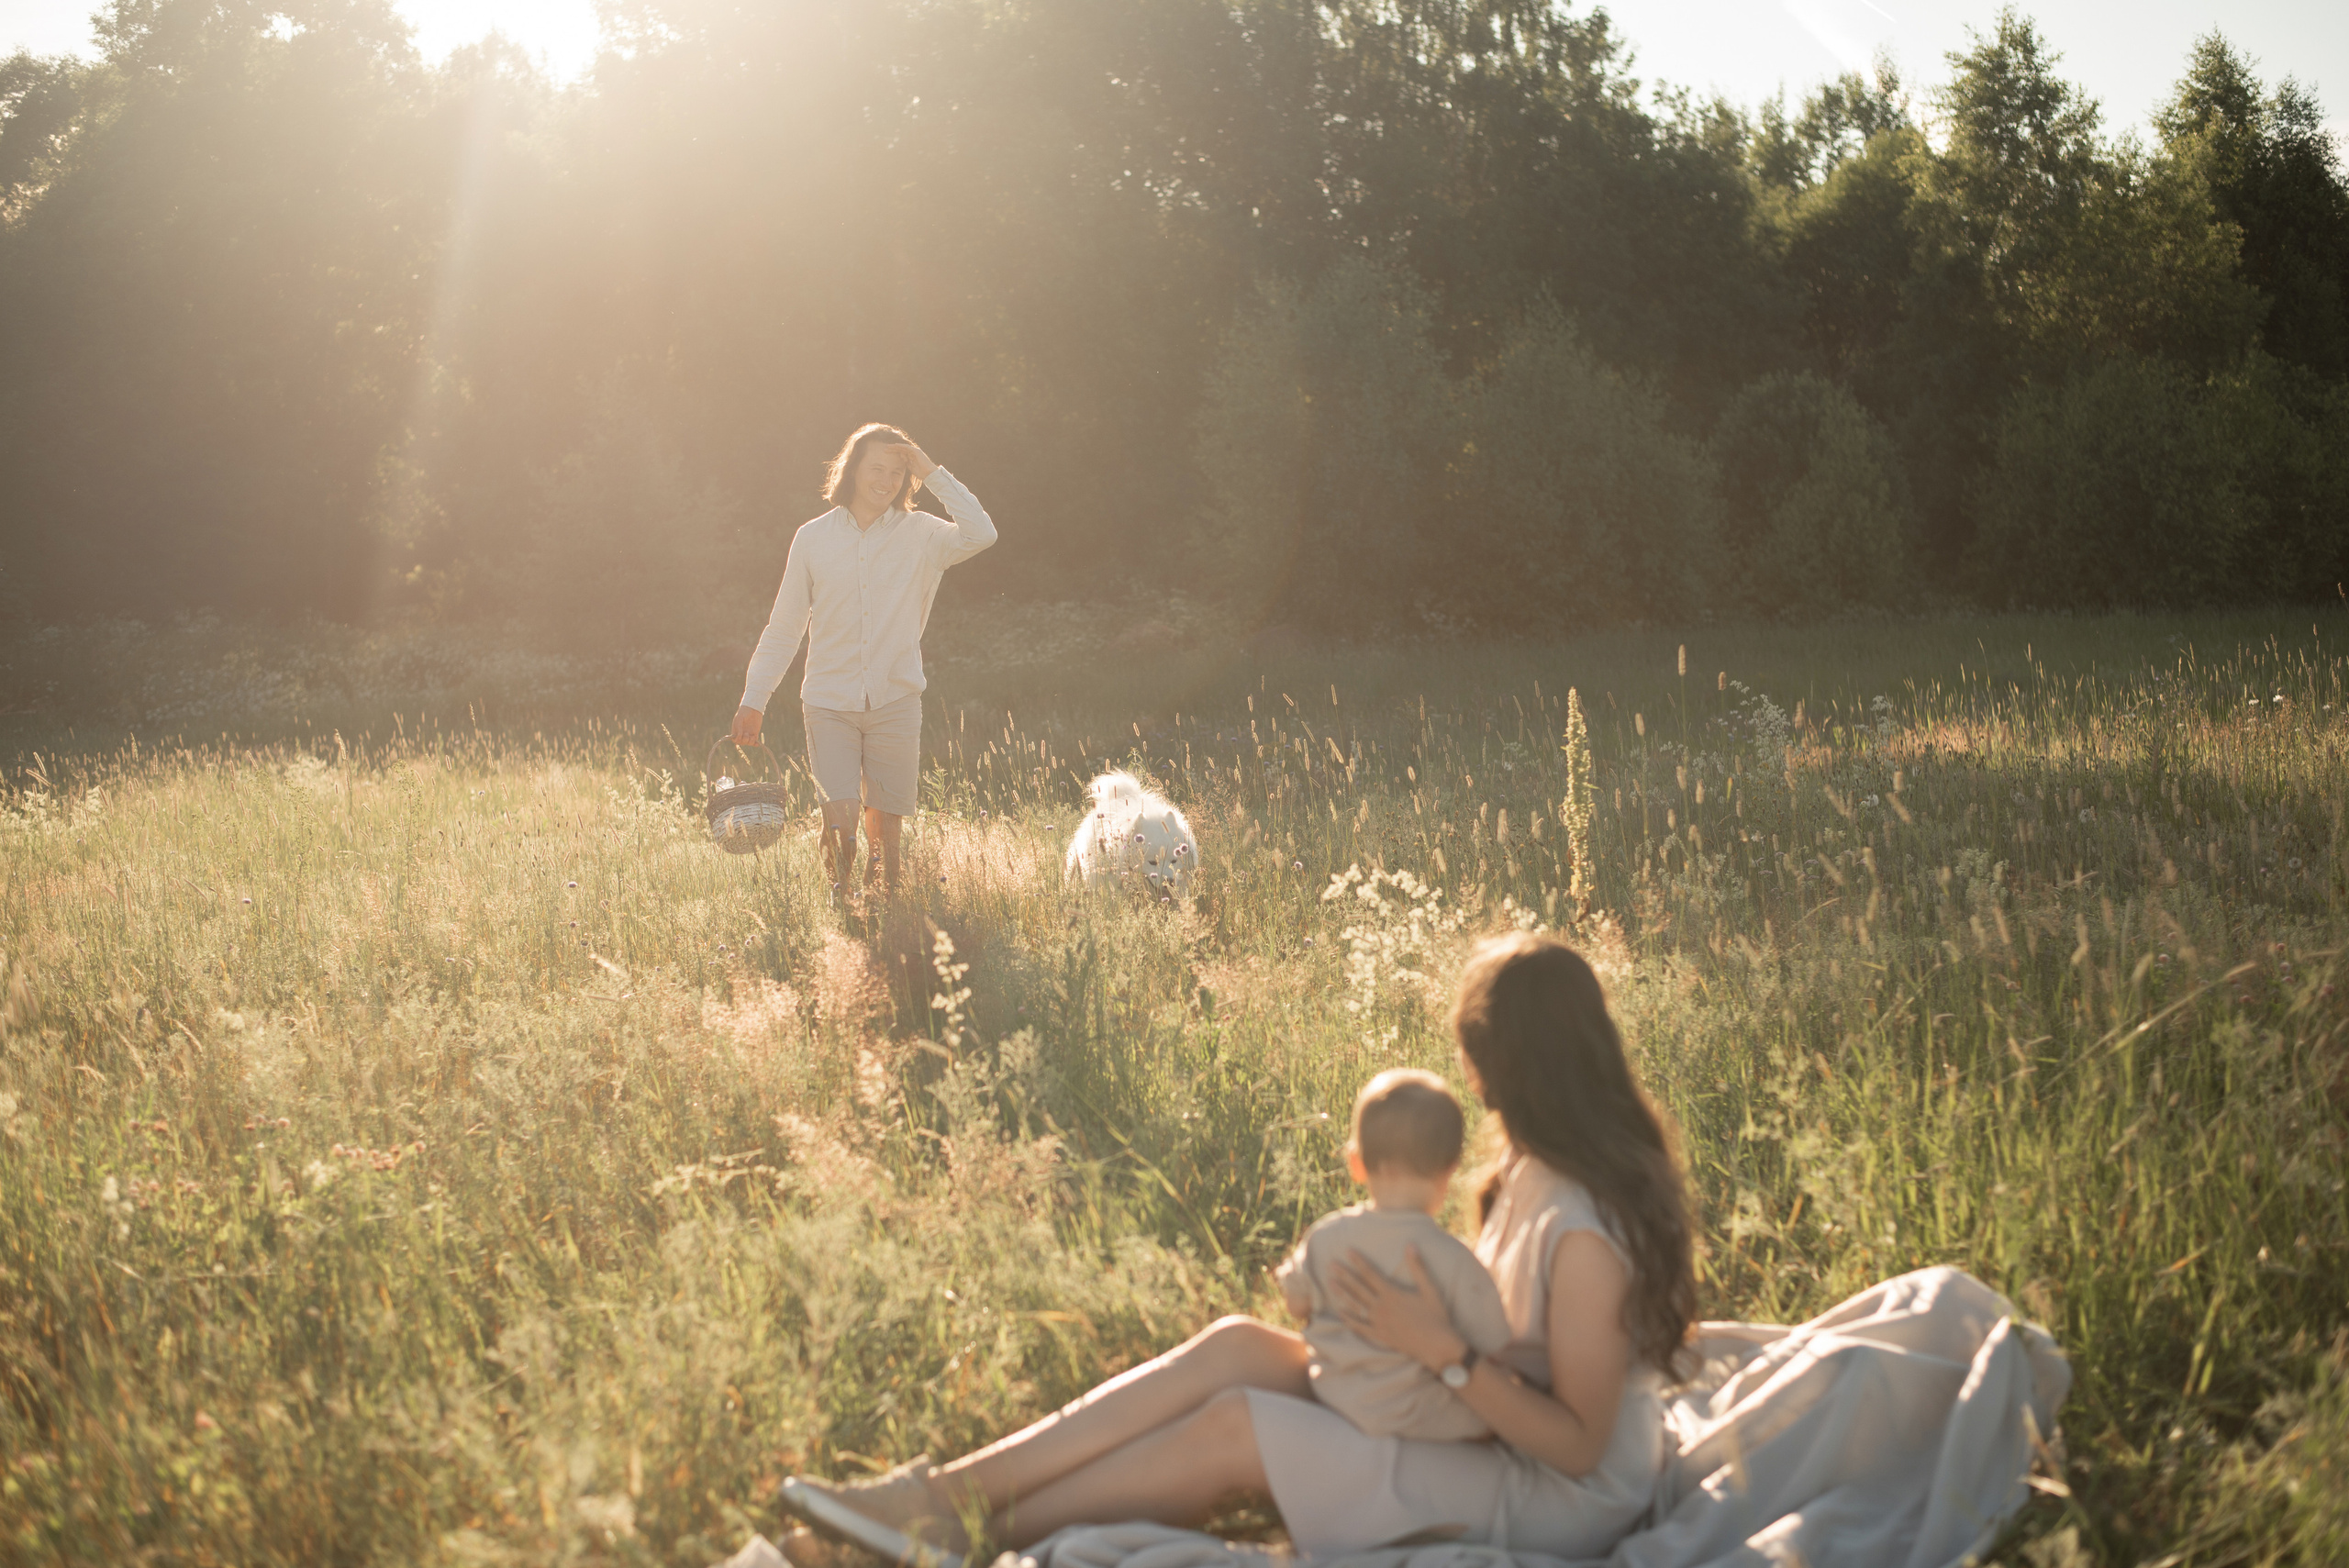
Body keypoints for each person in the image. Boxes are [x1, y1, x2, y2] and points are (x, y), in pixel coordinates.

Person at [781, 931, 1698, 1564]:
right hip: (1474, 1412)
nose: (1462, 1067)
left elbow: (1578, 1447)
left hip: (1553, 1496)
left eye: (1470, 1048)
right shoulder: (1530, 1164)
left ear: (1501, 1061)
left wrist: (1439, 1350)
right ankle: (938, 1492)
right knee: (1236, 1345)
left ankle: (968, 1536)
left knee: (1237, 1424)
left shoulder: (1582, 1227)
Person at [730, 424, 996, 894]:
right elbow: (785, 627)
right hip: (829, 702)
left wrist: (930, 470)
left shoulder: (925, 535)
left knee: (886, 839)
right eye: (877, 467)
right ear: (853, 470)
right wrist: (755, 698)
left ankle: (882, 918)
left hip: (896, 700)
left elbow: (982, 533)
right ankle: (841, 910)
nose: (887, 479)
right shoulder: (812, 538)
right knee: (841, 821)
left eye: (898, 471)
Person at [1275, 1067, 1513, 1442]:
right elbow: (1495, 1349)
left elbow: (1297, 1302)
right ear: (1449, 1171)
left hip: (1334, 1397)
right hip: (1417, 1418)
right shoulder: (1456, 1261)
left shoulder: (1326, 1236)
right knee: (1494, 1421)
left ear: (1355, 1163)